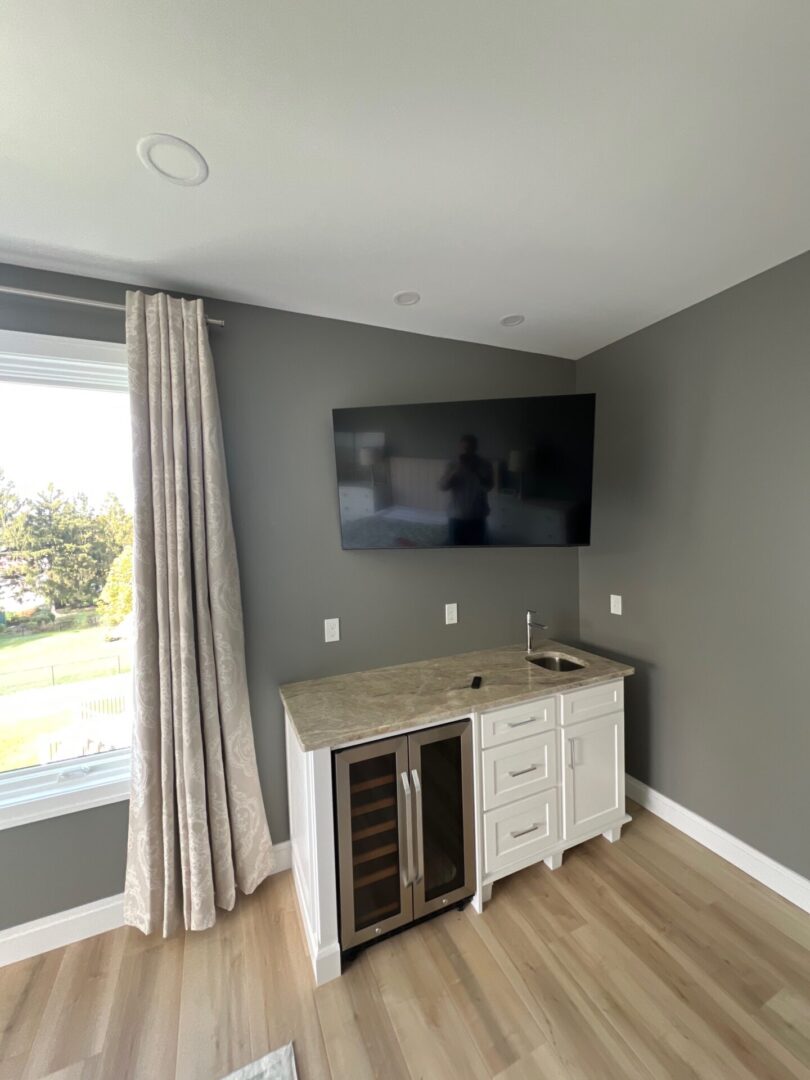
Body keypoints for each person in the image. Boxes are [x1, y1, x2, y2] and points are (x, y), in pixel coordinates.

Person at [439, 434, 494, 545]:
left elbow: (489, 487)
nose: (467, 451)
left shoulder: (485, 465)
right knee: (455, 553)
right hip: (456, 517)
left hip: (477, 517)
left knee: (476, 553)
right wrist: (455, 471)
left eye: (470, 448)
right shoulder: (452, 465)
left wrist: (476, 471)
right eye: (465, 448)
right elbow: (443, 487)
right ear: (460, 448)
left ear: (476, 448)